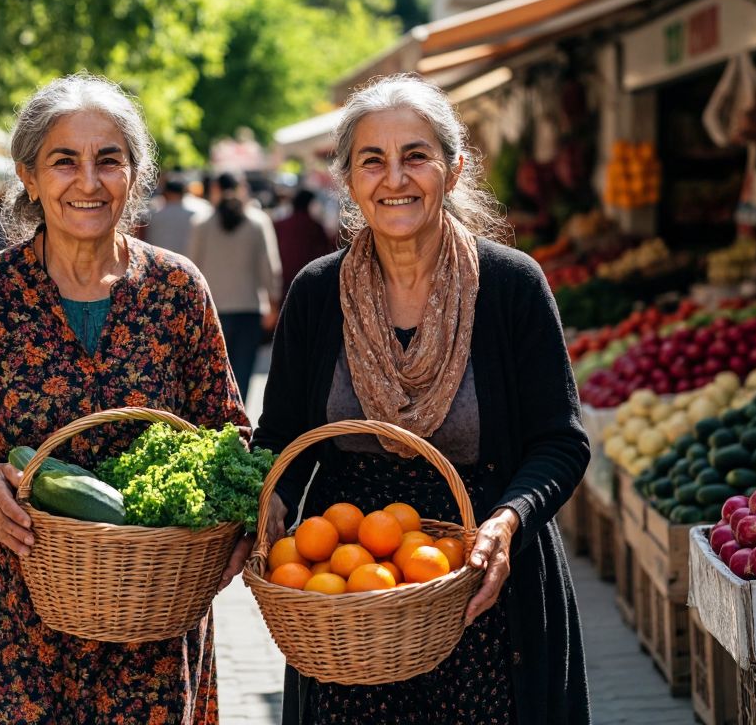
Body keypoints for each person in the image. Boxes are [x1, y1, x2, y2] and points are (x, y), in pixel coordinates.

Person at [0, 73, 250, 724]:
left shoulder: (177, 291)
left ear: (134, 175)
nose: (88, 181)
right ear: (29, 177)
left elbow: (229, 432)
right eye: (65, 161)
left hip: (149, 613)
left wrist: (225, 533)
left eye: (108, 160)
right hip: (15, 607)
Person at [253, 74, 591, 724]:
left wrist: (508, 522)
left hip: (487, 585)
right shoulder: (317, 294)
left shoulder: (510, 286)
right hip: (346, 591)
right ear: (347, 179)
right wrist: (272, 504)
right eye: (372, 160)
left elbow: (560, 439)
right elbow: (284, 437)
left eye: (416, 156)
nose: (395, 178)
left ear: (453, 167)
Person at [188, 172, 282, 395]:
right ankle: (241, 426)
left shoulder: (201, 223)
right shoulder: (258, 221)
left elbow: (190, 267)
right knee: (241, 377)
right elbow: (270, 267)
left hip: (210, 311)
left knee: (211, 378)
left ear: (215, 190)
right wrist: (273, 303)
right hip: (248, 308)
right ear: (242, 188)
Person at [272, 188, 335, 301]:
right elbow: (327, 251)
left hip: (284, 280)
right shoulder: (315, 227)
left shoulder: (280, 225)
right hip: (310, 281)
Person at [142, 175, 210, 256]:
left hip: (156, 260)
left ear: (166, 192)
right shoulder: (196, 214)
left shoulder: (153, 214)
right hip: (184, 261)